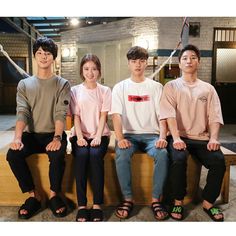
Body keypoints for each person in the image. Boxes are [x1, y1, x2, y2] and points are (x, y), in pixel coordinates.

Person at [6, 37, 71, 219]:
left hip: (53, 133)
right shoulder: (24, 84)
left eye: (48, 53)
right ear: (35, 56)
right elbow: (22, 112)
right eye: (40, 53)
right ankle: (33, 195)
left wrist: (57, 138)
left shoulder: (62, 84)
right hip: (32, 135)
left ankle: (53, 195)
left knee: (57, 155)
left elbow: (61, 113)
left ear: (54, 58)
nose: (43, 56)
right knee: (13, 155)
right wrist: (17, 138)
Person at [160, 44, 226, 221]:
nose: (189, 61)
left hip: (202, 137)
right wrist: (175, 138)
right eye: (185, 58)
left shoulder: (208, 89)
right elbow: (168, 115)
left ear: (199, 62)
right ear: (179, 64)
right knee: (178, 159)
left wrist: (213, 138)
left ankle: (208, 202)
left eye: (193, 58)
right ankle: (178, 201)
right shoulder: (171, 86)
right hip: (179, 136)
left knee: (219, 161)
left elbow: (214, 116)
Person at [111, 46, 169, 221]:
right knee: (120, 154)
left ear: (147, 63)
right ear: (128, 63)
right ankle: (128, 199)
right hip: (129, 136)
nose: (138, 65)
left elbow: (163, 116)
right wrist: (120, 138)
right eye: (134, 61)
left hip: (152, 135)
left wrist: (162, 137)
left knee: (163, 153)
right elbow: (116, 115)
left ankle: (155, 199)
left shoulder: (156, 87)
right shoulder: (120, 87)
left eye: (142, 61)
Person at [69, 54, 111, 222]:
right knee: (81, 155)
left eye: (94, 69)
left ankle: (97, 205)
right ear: (82, 70)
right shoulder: (75, 90)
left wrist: (98, 136)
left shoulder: (105, 90)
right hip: (79, 134)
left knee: (94, 156)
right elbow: (76, 117)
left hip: (100, 134)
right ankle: (81, 205)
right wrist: (79, 137)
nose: (90, 72)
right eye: (86, 69)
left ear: (99, 71)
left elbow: (103, 116)